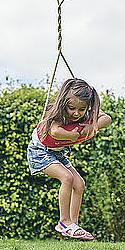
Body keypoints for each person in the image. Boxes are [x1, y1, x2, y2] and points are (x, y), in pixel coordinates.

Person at [27, 78, 111, 240]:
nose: (76, 113)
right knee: (67, 178)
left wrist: (92, 126)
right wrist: (73, 134)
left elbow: (106, 119)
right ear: (64, 102)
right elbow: (55, 131)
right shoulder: (57, 113)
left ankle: (73, 224)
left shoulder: (86, 114)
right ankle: (64, 222)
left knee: (79, 184)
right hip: (39, 151)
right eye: (72, 108)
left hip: (57, 152)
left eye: (82, 109)